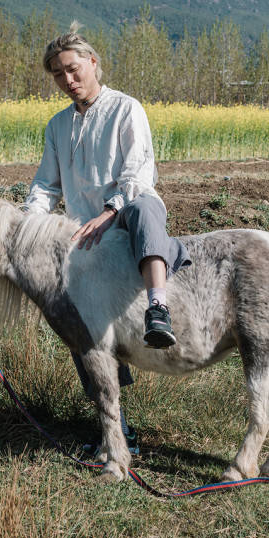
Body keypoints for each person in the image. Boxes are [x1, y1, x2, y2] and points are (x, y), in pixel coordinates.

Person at [23, 24, 189, 450]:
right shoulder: (57, 126)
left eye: (74, 70)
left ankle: (158, 306)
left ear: (93, 63)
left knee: (147, 205)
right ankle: (119, 424)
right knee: (74, 318)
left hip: (127, 211)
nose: (68, 81)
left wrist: (109, 211)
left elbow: (138, 173)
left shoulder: (126, 108)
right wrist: (30, 224)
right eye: (59, 75)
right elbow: (46, 185)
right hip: (83, 229)